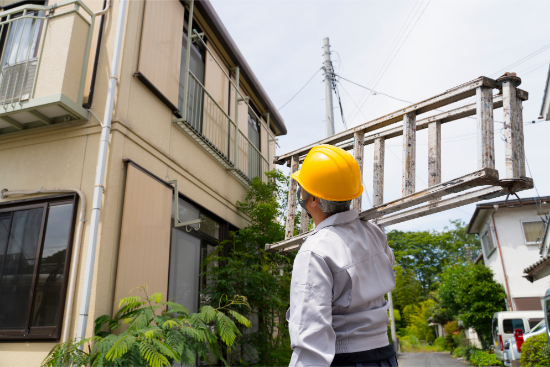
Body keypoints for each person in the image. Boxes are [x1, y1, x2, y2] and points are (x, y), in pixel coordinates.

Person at [287, 144, 397, 367]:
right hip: (385, 356)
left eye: (303, 189)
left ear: (314, 199)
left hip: (346, 359)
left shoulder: (314, 251)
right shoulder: (374, 232)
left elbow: (310, 337)